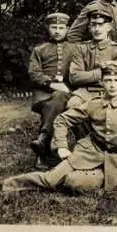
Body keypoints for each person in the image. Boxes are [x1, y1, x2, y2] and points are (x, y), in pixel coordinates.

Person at [3, 61, 117, 193]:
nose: (112, 85)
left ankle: (81, 176)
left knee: (74, 182)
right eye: (108, 80)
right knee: (49, 179)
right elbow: (62, 120)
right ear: (102, 82)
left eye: (116, 80)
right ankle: (5, 185)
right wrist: (62, 146)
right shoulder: (94, 104)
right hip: (88, 152)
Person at [28, 12, 76, 167]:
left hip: (68, 91)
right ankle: (46, 147)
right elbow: (34, 73)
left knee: (59, 98)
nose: (57, 31)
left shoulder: (75, 48)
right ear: (48, 28)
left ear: (67, 29)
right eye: (53, 27)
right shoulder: (39, 50)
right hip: (44, 94)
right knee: (55, 100)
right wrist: (51, 84)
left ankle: (43, 142)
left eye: (61, 27)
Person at [67, 6, 117, 110]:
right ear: (89, 28)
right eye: (93, 25)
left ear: (109, 27)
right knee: (73, 105)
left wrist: (87, 75)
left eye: (101, 24)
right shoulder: (82, 48)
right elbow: (74, 77)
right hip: (85, 92)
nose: (97, 29)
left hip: (111, 91)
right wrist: (101, 72)